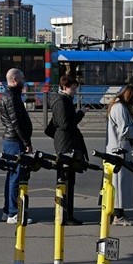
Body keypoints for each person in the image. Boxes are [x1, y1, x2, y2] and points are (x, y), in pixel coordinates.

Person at [105, 84, 133, 226]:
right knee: (119, 184)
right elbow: (125, 131)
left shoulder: (117, 106)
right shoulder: (120, 108)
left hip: (119, 149)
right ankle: (118, 215)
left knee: (119, 184)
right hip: (120, 150)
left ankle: (117, 214)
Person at [49, 75, 88, 225]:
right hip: (65, 143)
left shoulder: (64, 100)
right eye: (72, 89)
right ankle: (65, 216)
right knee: (65, 179)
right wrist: (81, 114)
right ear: (65, 87)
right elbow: (65, 124)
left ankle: (67, 214)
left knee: (68, 180)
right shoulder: (61, 101)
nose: (74, 92)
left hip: (65, 141)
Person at [0, 68, 34, 224]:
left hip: (11, 139)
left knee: (12, 175)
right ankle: (13, 212)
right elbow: (16, 122)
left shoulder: (10, 95)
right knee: (15, 176)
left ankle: (7, 210)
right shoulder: (11, 97)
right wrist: (26, 142)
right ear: (14, 80)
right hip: (14, 141)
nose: (24, 81)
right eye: (22, 79)